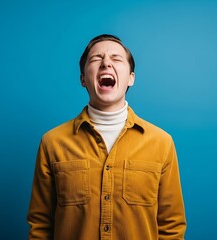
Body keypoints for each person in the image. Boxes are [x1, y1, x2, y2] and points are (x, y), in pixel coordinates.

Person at [27, 34, 186, 239]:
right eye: (96, 59)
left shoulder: (162, 143)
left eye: (116, 58)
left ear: (131, 77)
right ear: (83, 78)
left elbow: (171, 226)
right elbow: (40, 224)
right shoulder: (52, 142)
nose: (106, 64)